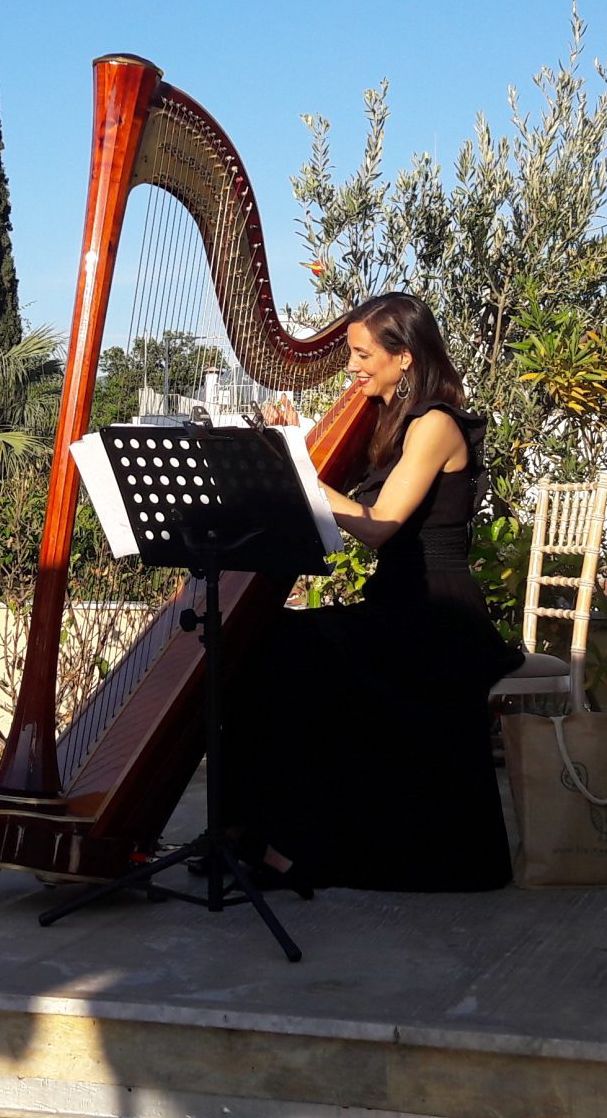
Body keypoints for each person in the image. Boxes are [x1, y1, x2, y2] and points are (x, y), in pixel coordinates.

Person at [223, 292, 522, 892]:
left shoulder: (435, 424)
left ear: (404, 357)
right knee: (263, 639)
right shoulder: (388, 422)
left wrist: (297, 472)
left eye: (363, 355)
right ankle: (263, 835)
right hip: (399, 601)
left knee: (284, 647)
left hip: (438, 614)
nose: (352, 367)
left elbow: (381, 525)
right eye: (350, 354)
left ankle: (288, 844)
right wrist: (297, 449)